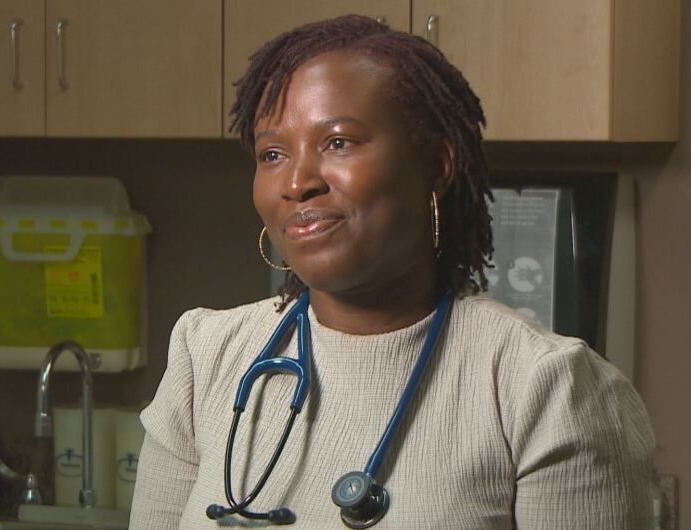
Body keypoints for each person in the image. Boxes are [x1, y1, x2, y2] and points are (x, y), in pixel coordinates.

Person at [130, 15, 654, 529]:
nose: (297, 182)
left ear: (436, 166)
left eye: (338, 142)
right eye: (272, 153)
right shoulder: (206, 356)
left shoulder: (545, 389)